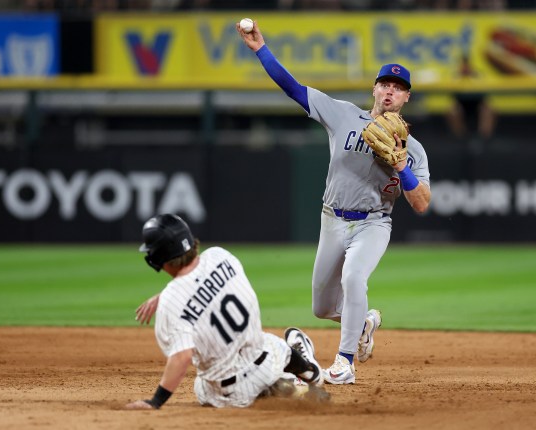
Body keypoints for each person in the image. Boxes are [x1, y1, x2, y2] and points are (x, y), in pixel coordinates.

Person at [236, 20, 431, 384]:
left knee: (354, 277)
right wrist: (260, 48)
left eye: (399, 88)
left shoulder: (413, 149)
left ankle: (345, 363)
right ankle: (365, 323)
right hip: (332, 219)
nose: (390, 91)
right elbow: (292, 88)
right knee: (322, 307)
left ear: (406, 98)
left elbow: (421, 202)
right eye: (385, 84)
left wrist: (402, 167)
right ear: (374, 89)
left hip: (374, 222)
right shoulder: (342, 114)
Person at [125, 214, 326, 410]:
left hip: (230, 392)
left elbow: (181, 357)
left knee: (201, 385)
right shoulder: (220, 255)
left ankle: (280, 390)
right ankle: (309, 372)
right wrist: (167, 294)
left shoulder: (171, 302)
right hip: (266, 360)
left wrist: (156, 401)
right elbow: (203, 284)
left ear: (158, 257)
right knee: (273, 344)